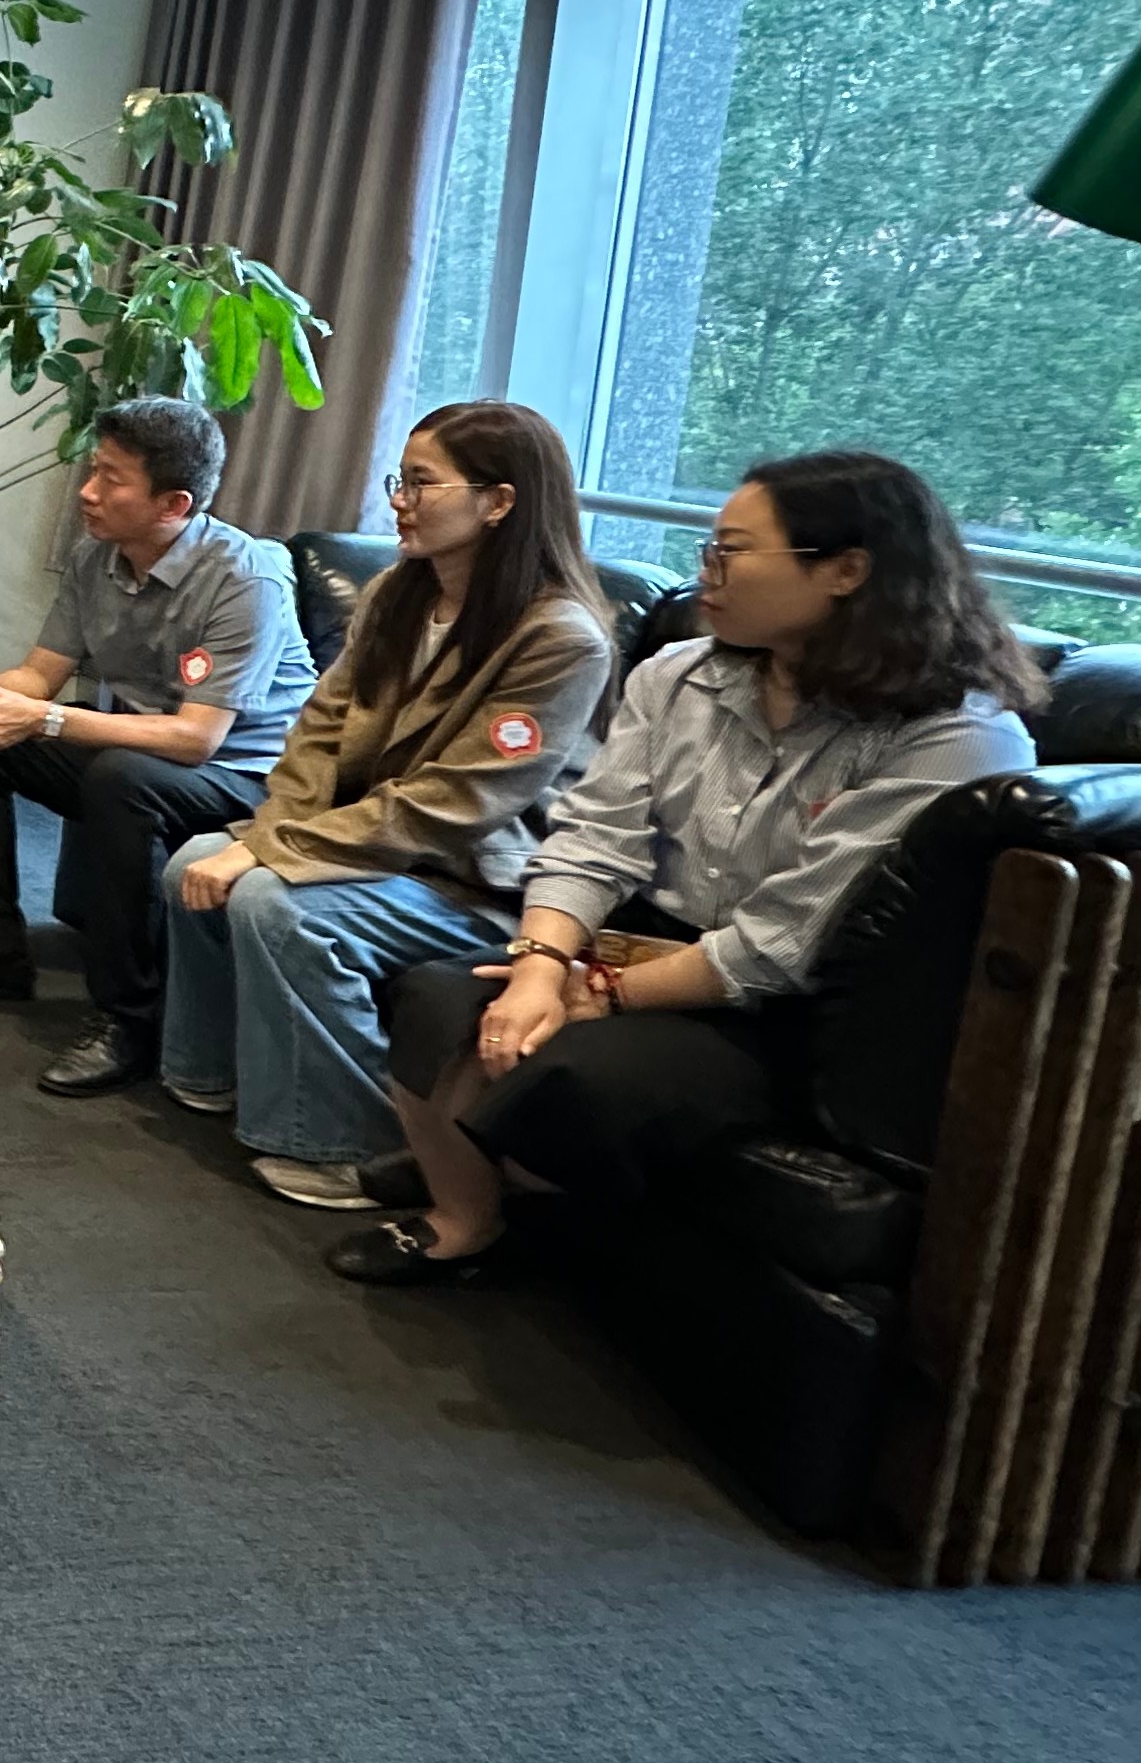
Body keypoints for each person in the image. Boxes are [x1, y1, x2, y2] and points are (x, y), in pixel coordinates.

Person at [334, 448, 1040, 1286]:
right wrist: (542, 965)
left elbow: (785, 943)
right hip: (642, 938)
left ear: (846, 571)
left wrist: (604, 995)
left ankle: (495, 1175)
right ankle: (463, 1214)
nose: (707, 570)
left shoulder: (955, 737)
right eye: (709, 548)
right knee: (441, 996)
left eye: (731, 551)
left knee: (568, 1070)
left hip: (792, 1008)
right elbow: (595, 837)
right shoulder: (679, 674)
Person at [155, 403, 618, 1210]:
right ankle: (214, 1075)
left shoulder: (562, 636)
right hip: (369, 847)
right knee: (194, 862)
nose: (399, 500)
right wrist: (268, 835)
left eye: (421, 484)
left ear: (498, 501)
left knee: (274, 904)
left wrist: (270, 853)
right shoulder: (396, 595)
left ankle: (354, 1141)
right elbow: (317, 736)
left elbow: (455, 802)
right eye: (398, 481)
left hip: (476, 882)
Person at [0, 397, 319, 1096]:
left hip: (246, 774)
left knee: (122, 779)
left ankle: (129, 1018)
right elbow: (40, 675)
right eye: (93, 470)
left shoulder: (246, 578)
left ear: (173, 504)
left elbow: (196, 738)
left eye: (111, 479)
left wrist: (42, 719)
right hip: (143, 748)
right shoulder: (96, 557)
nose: (87, 492)